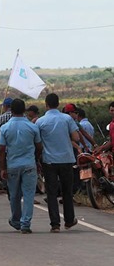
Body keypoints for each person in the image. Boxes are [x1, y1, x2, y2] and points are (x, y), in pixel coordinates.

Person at [36, 94, 80, 233]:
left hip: (49, 161)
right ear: (58, 104)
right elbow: (76, 137)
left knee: (51, 193)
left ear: (46, 104)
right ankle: (69, 220)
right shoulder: (67, 118)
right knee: (67, 191)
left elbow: (37, 142)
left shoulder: (40, 121)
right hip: (66, 159)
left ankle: (55, 224)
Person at [0, 99, 42, 234]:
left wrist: (2, 168)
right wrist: (36, 159)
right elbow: (39, 146)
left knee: (14, 195)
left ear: (11, 110)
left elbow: (1, 150)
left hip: (12, 165)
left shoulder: (5, 128)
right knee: (29, 195)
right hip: (29, 164)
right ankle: (25, 223)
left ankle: (16, 220)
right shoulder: (32, 127)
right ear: (24, 110)